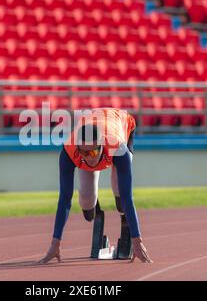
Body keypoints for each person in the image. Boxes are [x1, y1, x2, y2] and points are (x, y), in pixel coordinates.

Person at [38, 108, 153, 263]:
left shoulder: (118, 148)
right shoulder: (69, 151)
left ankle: (125, 220)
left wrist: (137, 240)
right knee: (86, 202)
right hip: (95, 123)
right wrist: (55, 243)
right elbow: (65, 199)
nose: (88, 158)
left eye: (92, 153)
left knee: (120, 190)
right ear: (78, 148)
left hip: (120, 124)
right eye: (84, 153)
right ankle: (95, 210)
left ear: (101, 146)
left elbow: (128, 197)